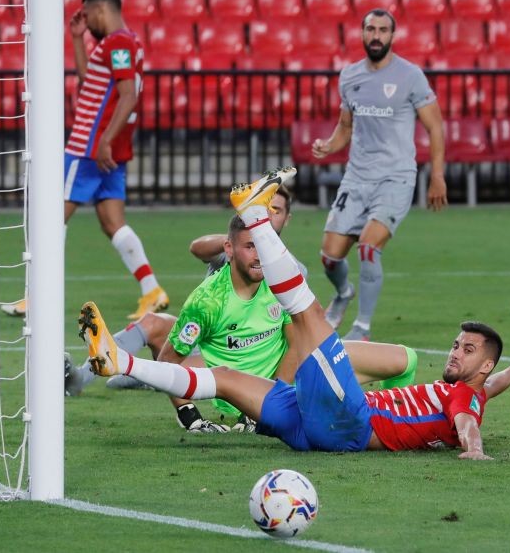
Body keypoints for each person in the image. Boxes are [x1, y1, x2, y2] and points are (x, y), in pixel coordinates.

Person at [79, 170, 510, 457]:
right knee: (222, 377)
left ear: (482, 364)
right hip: (314, 428)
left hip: (351, 420)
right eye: (457, 344)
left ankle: (257, 216)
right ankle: (120, 363)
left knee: (308, 318)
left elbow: (468, 420)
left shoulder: (463, 404)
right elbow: (484, 390)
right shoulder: (470, 388)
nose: (455, 352)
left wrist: (474, 450)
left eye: (467, 350)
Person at [67, 175, 419, 435]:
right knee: (164, 331)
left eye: (275, 211)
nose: (270, 220)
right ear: (232, 248)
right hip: (237, 377)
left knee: (405, 358)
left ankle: (396, 415)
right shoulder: (210, 296)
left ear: (286, 219)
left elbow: (304, 337)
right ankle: (108, 371)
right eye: (250, 242)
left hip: (288, 373)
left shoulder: (289, 272)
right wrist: (191, 416)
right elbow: (198, 247)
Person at [2, 0, 168, 320]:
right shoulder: (122, 43)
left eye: (87, 14)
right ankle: (151, 290)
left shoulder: (118, 43)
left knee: (51, 219)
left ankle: (37, 296)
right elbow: (88, 80)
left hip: (88, 147)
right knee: (113, 223)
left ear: (101, 9)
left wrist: (105, 139)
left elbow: (127, 96)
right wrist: (77, 39)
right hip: (105, 149)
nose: (86, 20)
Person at [311, 9, 447, 342]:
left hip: (396, 178)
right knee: (329, 256)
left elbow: (435, 126)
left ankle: (363, 328)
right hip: (356, 178)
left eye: (383, 30)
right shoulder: (350, 76)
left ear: (392, 36)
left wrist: (437, 176)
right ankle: (343, 293)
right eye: (371, 29)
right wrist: (329, 146)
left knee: (369, 249)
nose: (376, 36)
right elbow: (345, 127)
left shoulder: (410, 76)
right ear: (361, 34)